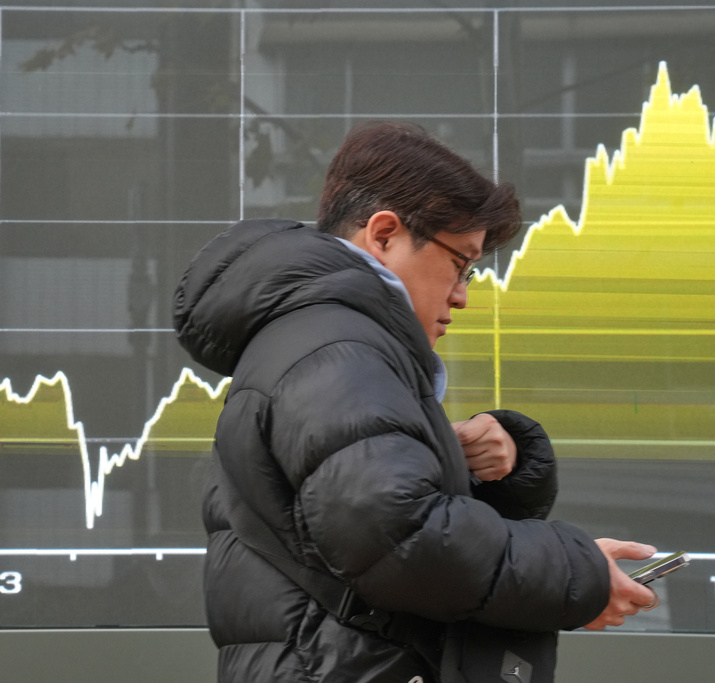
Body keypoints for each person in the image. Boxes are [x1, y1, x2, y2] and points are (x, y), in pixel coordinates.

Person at [173, 121, 658, 682]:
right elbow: (402, 539)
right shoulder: (337, 347)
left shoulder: (316, 339)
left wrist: (488, 466)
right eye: (460, 263)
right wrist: (577, 575)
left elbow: (353, 517)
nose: (463, 295)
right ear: (383, 235)